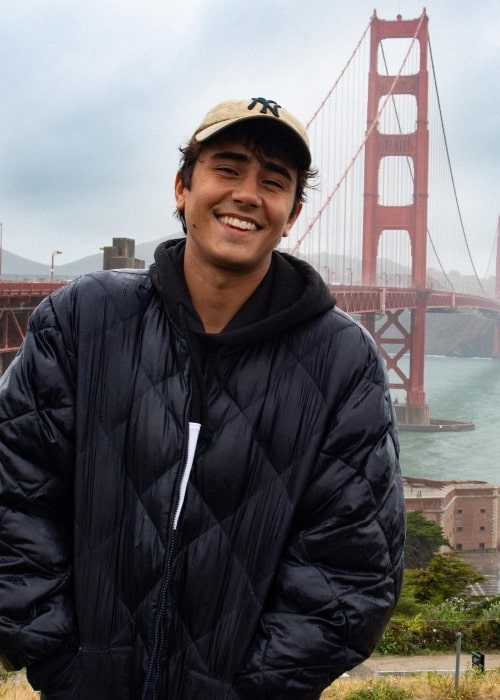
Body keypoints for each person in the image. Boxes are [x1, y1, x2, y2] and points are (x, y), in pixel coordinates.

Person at [0, 96, 405, 699]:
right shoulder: (82, 319)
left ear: (291, 214)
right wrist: (64, 663)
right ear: (183, 187)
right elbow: (15, 499)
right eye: (227, 168)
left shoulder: (344, 363)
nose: (246, 193)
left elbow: (352, 568)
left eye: (274, 182)